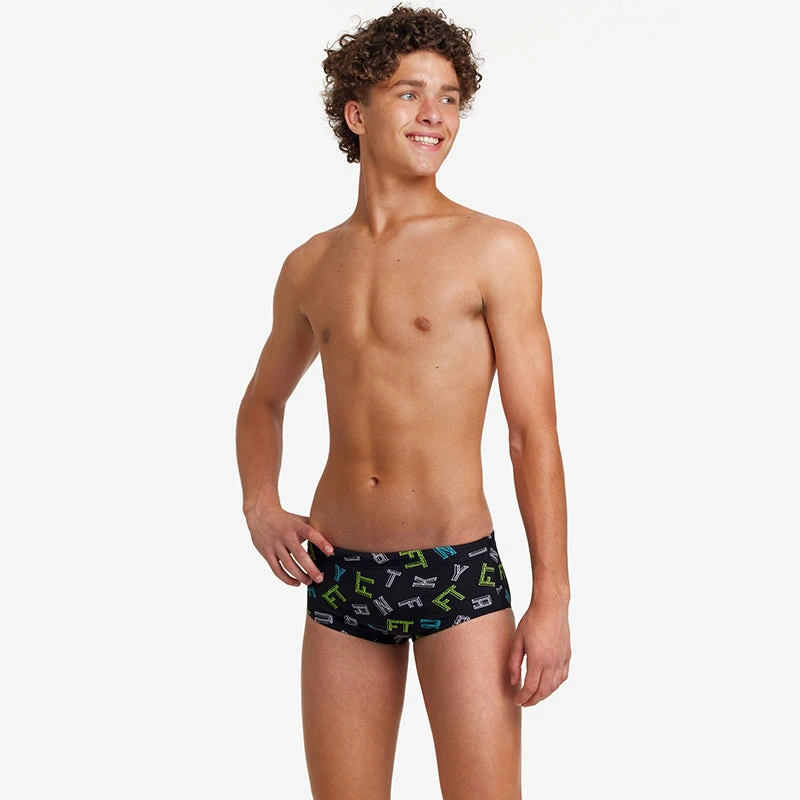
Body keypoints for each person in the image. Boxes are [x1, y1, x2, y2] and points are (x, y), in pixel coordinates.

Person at [235, 5, 571, 798]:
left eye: (450, 98)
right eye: (410, 93)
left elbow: (532, 434)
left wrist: (552, 596)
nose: (435, 115)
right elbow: (262, 403)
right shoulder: (310, 265)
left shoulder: (495, 248)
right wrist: (261, 506)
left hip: (457, 576)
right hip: (340, 576)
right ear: (357, 113)